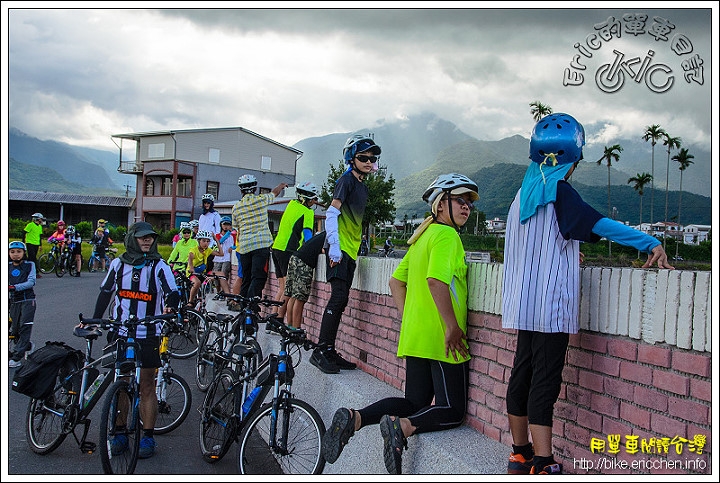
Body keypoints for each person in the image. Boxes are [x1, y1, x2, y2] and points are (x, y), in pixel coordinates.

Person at [501, 113, 674, 475]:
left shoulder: (521, 195)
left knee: (522, 373)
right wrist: (649, 242)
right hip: (550, 305)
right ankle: (544, 461)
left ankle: (519, 454)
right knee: (544, 382)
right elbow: (598, 224)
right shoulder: (559, 191)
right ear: (573, 162)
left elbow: (548, 239)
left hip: (523, 303)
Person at [321, 173, 479, 474]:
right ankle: (402, 428)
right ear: (440, 205)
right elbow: (436, 281)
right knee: (453, 410)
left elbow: (395, 284)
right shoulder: (446, 236)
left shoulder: (421, 239)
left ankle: (355, 418)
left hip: (416, 334)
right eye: (460, 200)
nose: (466, 207)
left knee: (415, 400)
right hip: (442, 337)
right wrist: (451, 326)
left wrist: (411, 320)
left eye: (469, 202)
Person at [89, 221, 180, 459]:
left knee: (147, 385)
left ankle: (147, 437)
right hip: (121, 332)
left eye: (150, 237)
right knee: (122, 381)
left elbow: (172, 292)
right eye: (141, 237)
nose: (147, 240)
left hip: (148, 333)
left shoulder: (160, 266)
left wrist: (171, 307)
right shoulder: (118, 264)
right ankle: (119, 433)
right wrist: (95, 320)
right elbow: (106, 292)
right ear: (132, 239)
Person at [310, 134, 381, 374]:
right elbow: (331, 214)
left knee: (342, 300)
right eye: (364, 158)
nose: (369, 162)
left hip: (350, 251)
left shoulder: (361, 185)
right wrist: (335, 247)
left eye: (372, 158)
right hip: (339, 250)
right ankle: (321, 351)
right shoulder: (346, 181)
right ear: (351, 158)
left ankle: (330, 349)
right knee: (338, 297)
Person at [232, 174, 288, 299]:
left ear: (241, 189)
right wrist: (281, 185)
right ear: (255, 188)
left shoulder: (236, 207)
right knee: (258, 276)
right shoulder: (261, 200)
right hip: (261, 245)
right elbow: (274, 193)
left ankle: (244, 308)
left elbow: (236, 226)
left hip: (244, 248)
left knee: (246, 278)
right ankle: (252, 307)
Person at [271, 181, 319, 319]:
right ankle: (279, 319)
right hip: (288, 250)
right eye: (314, 199)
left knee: (282, 287)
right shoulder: (307, 212)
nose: (315, 202)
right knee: (288, 290)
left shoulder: (291, 205)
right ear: (307, 199)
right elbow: (308, 236)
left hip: (276, 247)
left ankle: (273, 317)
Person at [284, 230, 326, 329]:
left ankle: (290, 327)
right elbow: (325, 250)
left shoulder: (324, 234)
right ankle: (296, 329)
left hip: (295, 257)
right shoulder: (333, 235)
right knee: (300, 298)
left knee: (293, 296)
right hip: (303, 263)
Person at [9, 241, 37, 368]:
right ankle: (28, 345)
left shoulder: (29, 265)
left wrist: (15, 287)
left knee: (24, 327)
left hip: (28, 300)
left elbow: (31, 282)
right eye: (12, 252)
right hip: (14, 301)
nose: (15, 255)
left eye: (19, 252)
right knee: (14, 330)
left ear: (24, 253)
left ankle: (17, 357)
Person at [186, 230, 224, 307]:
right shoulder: (194, 249)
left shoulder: (207, 250)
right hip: (192, 273)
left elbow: (221, 254)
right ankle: (190, 301)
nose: (206, 243)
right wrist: (191, 267)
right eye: (203, 241)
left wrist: (216, 240)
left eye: (208, 241)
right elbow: (190, 258)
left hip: (202, 273)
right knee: (197, 283)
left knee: (220, 276)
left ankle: (224, 294)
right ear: (199, 241)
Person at [212, 216, 237, 297]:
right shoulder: (217, 235)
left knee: (224, 274)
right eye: (224, 224)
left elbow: (236, 245)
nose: (226, 226)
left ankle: (223, 292)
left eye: (228, 225)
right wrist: (228, 233)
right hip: (218, 258)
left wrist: (232, 248)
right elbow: (220, 241)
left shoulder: (233, 236)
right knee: (216, 276)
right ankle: (218, 291)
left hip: (227, 258)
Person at [23, 213, 45, 277]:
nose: (41, 220)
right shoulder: (30, 225)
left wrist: (40, 245)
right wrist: (23, 241)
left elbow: (40, 236)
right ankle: (35, 272)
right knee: (33, 258)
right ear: (37, 219)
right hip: (30, 243)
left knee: (31, 258)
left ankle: (27, 270)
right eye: (40, 219)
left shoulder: (40, 227)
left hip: (36, 244)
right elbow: (24, 232)